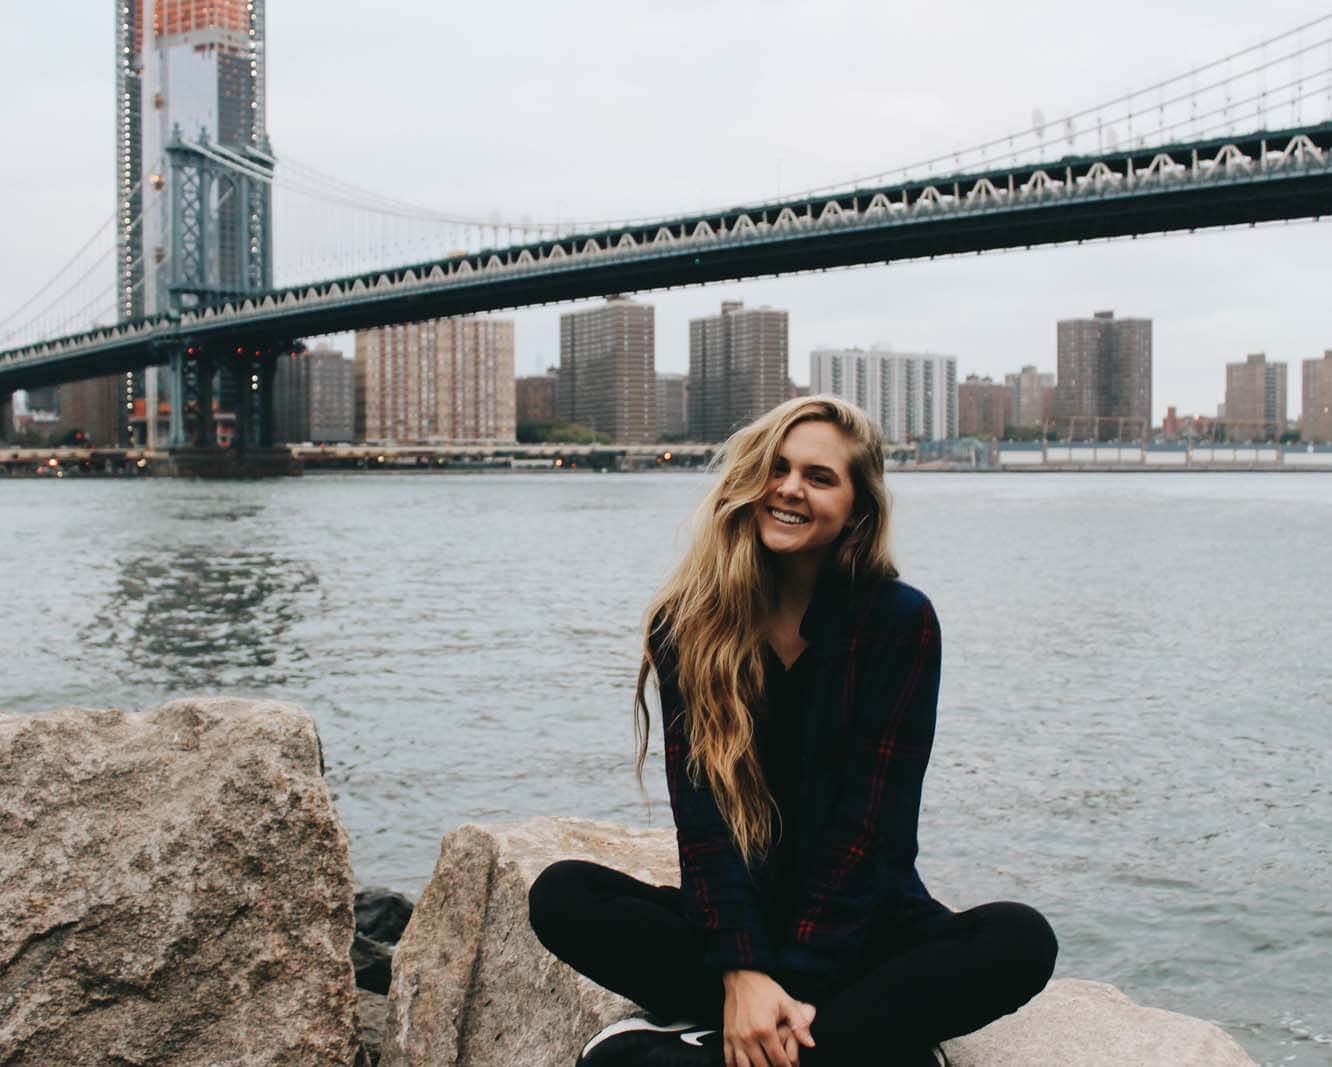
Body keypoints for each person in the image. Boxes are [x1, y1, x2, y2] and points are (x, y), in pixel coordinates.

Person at [528, 396, 1057, 1067]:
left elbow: (870, 829)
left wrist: (791, 983)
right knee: (564, 894)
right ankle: (859, 1045)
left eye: (819, 476)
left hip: (861, 926)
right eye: (776, 468)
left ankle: (725, 1046)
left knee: (1020, 938)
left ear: (858, 507)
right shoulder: (687, 621)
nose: (788, 489)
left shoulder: (899, 621)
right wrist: (743, 970)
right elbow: (704, 827)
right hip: (731, 928)